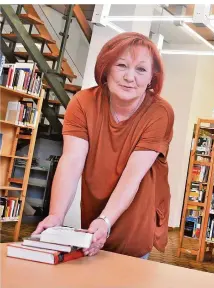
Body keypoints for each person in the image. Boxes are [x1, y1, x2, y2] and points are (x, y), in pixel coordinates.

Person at [32, 32, 175, 260]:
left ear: (151, 78)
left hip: (135, 219)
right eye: (122, 65)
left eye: (141, 69)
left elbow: (132, 176)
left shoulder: (160, 112)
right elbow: (72, 161)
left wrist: (106, 220)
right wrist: (56, 216)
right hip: (94, 214)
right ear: (106, 68)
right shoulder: (83, 103)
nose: (130, 77)